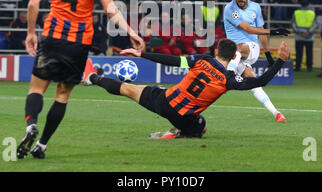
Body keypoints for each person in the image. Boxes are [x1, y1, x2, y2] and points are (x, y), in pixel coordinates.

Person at [16, 0, 144, 159]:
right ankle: (42, 144)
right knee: (62, 95)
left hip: (52, 36)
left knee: (36, 88)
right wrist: (130, 31)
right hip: (78, 41)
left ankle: (30, 124)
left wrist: (30, 33)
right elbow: (110, 8)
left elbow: (33, 4)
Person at [83, 39, 290, 139]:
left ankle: (92, 77)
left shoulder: (201, 60)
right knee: (202, 128)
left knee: (128, 89)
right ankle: (177, 132)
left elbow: (172, 61)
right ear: (232, 58)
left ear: (217, 51)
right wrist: (280, 61)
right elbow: (259, 81)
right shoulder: (229, 80)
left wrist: (141, 54)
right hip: (184, 116)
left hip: (164, 100)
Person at [223, 0, 290, 122]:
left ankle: (227, 74)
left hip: (251, 48)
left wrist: (268, 55)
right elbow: (247, 28)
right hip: (236, 56)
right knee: (254, 84)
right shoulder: (230, 9)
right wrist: (273, 31)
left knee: (239, 47)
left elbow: (261, 33)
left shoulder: (256, 7)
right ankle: (276, 113)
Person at [291, 0, 317, 72]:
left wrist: (299, 32)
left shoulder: (296, 12)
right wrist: (308, 32)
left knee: (299, 52)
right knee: (309, 52)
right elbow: (315, 24)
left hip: (298, 36)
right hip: (309, 36)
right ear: (308, 5)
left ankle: (297, 67)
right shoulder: (312, 13)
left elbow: (293, 24)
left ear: (301, 5)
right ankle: (309, 67)